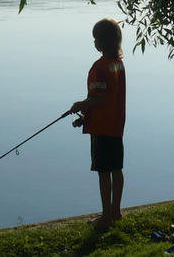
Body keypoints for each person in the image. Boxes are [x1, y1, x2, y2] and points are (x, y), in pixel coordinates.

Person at [69, 18, 126, 229]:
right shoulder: (118, 65)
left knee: (104, 172)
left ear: (103, 42)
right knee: (116, 169)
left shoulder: (101, 67)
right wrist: (86, 117)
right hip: (116, 126)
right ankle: (116, 211)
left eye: (96, 39)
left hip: (102, 129)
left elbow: (99, 98)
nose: (94, 43)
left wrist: (80, 104)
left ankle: (106, 215)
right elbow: (109, 99)